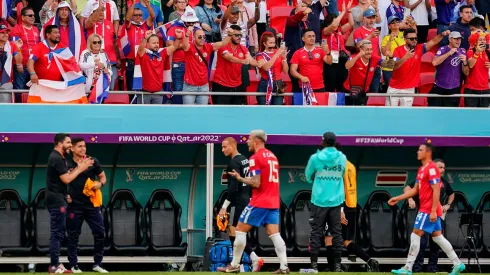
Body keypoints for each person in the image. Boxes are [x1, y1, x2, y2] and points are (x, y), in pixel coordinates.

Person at [218, 130, 289, 274]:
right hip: (273, 201)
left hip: (259, 201)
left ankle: (235, 265)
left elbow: (256, 183)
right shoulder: (273, 156)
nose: (247, 141)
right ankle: (284, 267)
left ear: (256, 141)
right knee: (274, 233)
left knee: (239, 230)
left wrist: (240, 179)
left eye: (249, 139)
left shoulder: (255, 157)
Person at [388, 143, 465, 275]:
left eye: (421, 150)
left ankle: (408, 267)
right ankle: (458, 263)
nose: (443, 170)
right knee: (438, 238)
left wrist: (434, 210)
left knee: (415, 235)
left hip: (428, 210)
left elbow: (436, 192)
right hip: (429, 210)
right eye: (440, 167)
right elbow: (414, 190)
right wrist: (399, 198)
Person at [324, 142, 379, 272]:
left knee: (329, 238)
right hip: (352, 207)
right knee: (346, 241)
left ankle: (333, 269)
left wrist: (340, 210)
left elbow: (338, 190)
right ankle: (370, 261)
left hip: (340, 207)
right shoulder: (351, 166)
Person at [46, 133, 93, 274]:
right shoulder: (56, 157)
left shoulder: (58, 157)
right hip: (56, 201)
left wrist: (65, 194)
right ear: (60, 144)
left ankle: (55, 264)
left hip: (58, 198)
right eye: (68, 143)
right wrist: (80, 168)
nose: (70, 146)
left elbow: (57, 182)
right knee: (57, 233)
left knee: (58, 233)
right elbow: (66, 179)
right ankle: (55, 266)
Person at [218, 137, 263, 272]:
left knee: (234, 232)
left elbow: (232, 189)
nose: (223, 150)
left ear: (233, 145)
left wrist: (224, 207)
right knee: (237, 232)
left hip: (237, 202)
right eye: (222, 147)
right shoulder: (245, 159)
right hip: (245, 199)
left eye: (225, 147)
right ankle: (239, 263)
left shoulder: (233, 162)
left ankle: (244, 262)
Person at [304, 132, 346, 273]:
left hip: (319, 201)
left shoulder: (315, 158)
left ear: (323, 142)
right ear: (334, 142)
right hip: (336, 201)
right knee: (337, 234)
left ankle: (314, 266)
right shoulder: (342, 158)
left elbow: (308, 177)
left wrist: (317, 178)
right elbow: (342, 174)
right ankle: (337, 266)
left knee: (316, 233)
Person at [404, 159, 455, 273]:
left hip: (436, 215)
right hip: (425, 214)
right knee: (420, 242)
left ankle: (432, 269)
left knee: (436, 243)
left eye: (443, 167)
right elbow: (407, 188)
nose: (443, 170)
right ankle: (417, 269)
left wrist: (448, 205)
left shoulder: (443, 182)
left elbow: (451, 194)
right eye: (440, 167)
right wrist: (410, 198)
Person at [66, 137, 108, 273]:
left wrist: (100, 184)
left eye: (84, 146)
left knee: (100, 233)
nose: (83, 148)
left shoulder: (92, 161)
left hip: (92, 205)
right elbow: (59, 183)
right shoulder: (66, 162)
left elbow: (103, 177)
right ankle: (73, 264)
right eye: (79, 146)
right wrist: (64, 196)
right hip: (74, 206)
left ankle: (97, 264)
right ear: (72, 148)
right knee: (73, 235)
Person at [429, 31, 469, 107]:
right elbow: (434, 62)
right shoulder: (443, 49)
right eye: (456, 39)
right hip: (440, 86)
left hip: (454, 88)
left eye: (460, 39)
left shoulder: (462, 51)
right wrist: (448, 53)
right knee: (435, 113)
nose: (458, 41)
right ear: (450, 39)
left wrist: (465, 62)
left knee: (451, 115)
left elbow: (466, 73)